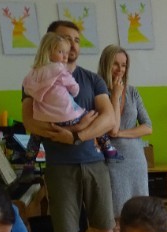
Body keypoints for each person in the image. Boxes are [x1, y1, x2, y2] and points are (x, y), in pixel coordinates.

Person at [22, 21, 117, 232]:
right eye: (66, 39)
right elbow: (30, 122)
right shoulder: (35, 78)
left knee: (106, 228)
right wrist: (66, 132)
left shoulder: (92, 79)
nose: (72, 45)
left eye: (76, 40)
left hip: (95, 163)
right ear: (51, 43)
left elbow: (108, 118)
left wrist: (75, 136)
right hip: (59, 167)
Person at [22, 32, 120, 173]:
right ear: (49, 51)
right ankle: (108, 148)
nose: (65, 56)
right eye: (61, 52)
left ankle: (29, 162)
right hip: (66, 116)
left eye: (66, 53)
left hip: (45, 118)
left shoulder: (33, 73)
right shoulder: (59, 69)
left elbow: (27, 90)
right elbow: (74, 87)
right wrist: (74, 93)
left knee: (35, 135)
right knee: (92, 118)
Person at [98, 44, 152, 225]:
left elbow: (147, 126)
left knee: (139, 217)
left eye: (124, 65)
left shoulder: (132, 91)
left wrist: (121, 133)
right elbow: (112, 128)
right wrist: (115, 96)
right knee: (116, 218)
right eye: (115, 64)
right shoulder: (98, 92)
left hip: (136, 160)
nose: (120, 69)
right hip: (111, 161)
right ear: (106, 64)